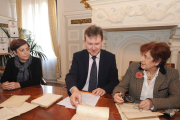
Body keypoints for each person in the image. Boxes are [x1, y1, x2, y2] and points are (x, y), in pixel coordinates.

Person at [113, 41, 180, 111]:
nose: (141, 59)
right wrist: (118, 94)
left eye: (146, 57)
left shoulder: (171, 73)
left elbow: (177, 99)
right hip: (133, 110)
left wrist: (152, 103)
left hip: (157, 112)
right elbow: (121, 86)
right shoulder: (134, 68)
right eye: (142, 55)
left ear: (157, 61)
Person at [66, 25, 119, 107]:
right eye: (90, 44)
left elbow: (114, 81)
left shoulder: (110, 57)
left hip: (100, 98)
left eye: (97, 44)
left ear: (102, 41)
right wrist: (74, 90)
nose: (93, 48)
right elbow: (71, 76)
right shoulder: (78, 56)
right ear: (84, 42)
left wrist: (104, 89)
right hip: (81, 95)